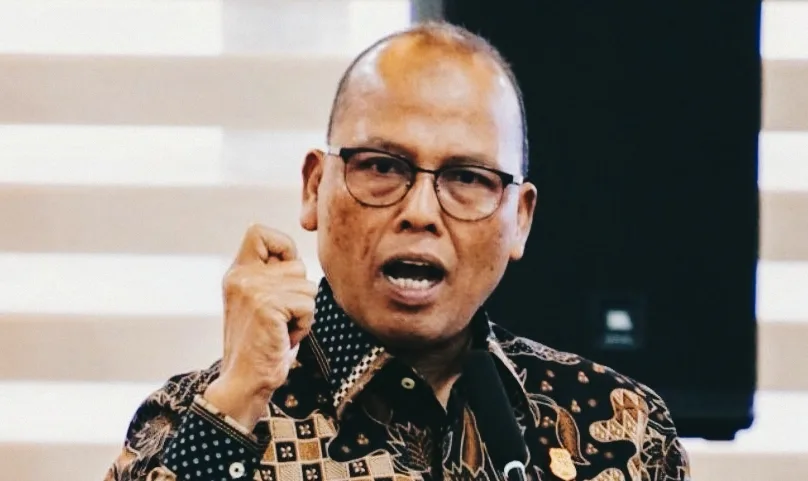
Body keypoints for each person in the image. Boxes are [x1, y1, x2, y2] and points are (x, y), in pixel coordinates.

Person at [105, 21, 691, 481]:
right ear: (314, 188)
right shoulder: (197, 418)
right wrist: (237, 402)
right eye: (383, 167)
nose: (421, 211)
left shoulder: (620, 430)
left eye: (467, 178)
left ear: (519, 219)